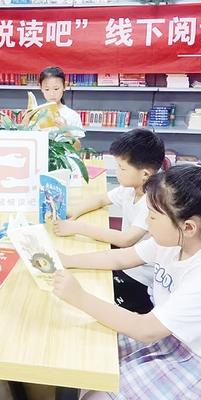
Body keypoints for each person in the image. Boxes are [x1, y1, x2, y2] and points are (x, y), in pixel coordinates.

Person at [54, 158, 201, 400]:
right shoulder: (180, 239)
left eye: (151, 215)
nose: (146, 222)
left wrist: (79, 297)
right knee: (88, 354)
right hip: (173, 337)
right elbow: (122, 257)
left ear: (189, 226)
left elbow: (146, 330)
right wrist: (69, 260)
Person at [54, 129, 165, 313]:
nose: (117, 172)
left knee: (82, 291)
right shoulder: (130, 188)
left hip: (139, 277)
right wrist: (72, 212)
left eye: (122, 168)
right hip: (124, 259)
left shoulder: (152, 201)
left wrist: (78, 227)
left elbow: (126, 239)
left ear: (145, 174)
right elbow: (101, 199)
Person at [39, 66, 85, 146]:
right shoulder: (37, 113)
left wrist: (65, 130)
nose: (52, 94)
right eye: (47, 89)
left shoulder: (72, 115)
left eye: (56, 89)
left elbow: (77, 148)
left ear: (64, 86)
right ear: (41, 88)